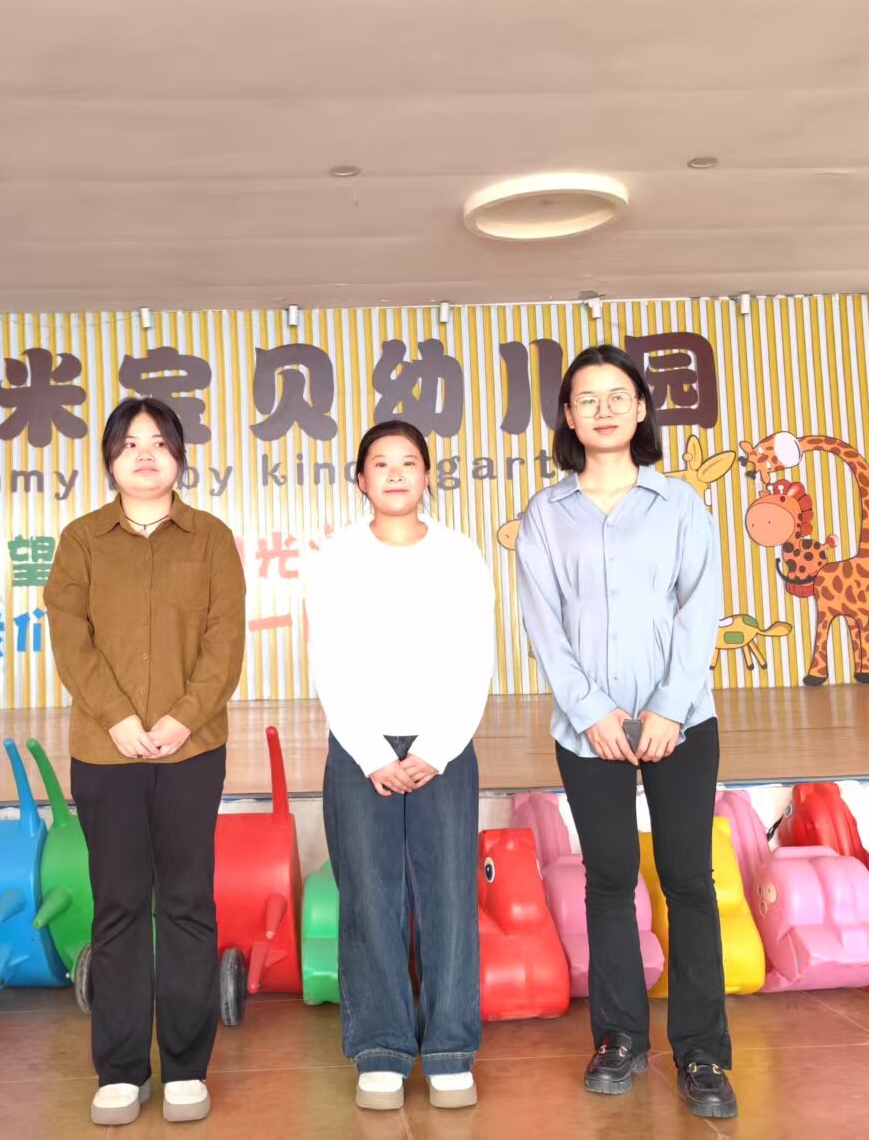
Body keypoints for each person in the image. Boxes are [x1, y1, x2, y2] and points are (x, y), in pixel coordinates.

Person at [512, 344, 736, 1120]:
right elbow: (542, 623)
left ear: (641, 409)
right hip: (589, 730)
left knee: (688, 880)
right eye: (587, 398)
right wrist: (590, 711)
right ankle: (619, 1040)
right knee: (608, 879)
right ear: (568, 417)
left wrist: (670, 706)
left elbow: (699, 606)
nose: (603, 409)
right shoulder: (547, 514)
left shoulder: (679, 504)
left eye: (618, 395)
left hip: (682, 722)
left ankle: (702, 1051)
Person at [43, 396, 246, 1128]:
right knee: (121, 903)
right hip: (108, 750)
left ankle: (187, 1067)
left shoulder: (212, 538)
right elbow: (72, 641)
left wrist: (183, 717)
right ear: (110, 461)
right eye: (130, 443)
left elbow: (225, 641)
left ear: (180, 457)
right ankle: (121, 1070)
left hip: (193, 749)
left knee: (188, 900)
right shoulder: (81, 540)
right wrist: (120, 719)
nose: (146, 454)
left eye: (159, 442)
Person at [304, 420, 493, 1112]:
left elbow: (476, 658)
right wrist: (373, 753)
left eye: (408, 461)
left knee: (448, 897)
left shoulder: (459, 554)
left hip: (445, 747)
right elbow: (328, 662)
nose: (394, 473)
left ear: (427, 476)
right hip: (361, 750)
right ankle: (380, 1049)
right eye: (379, 463)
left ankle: (449, 1050)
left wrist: (434, 749)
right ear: (360, 480)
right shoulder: (337, 557)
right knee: (370, 897)